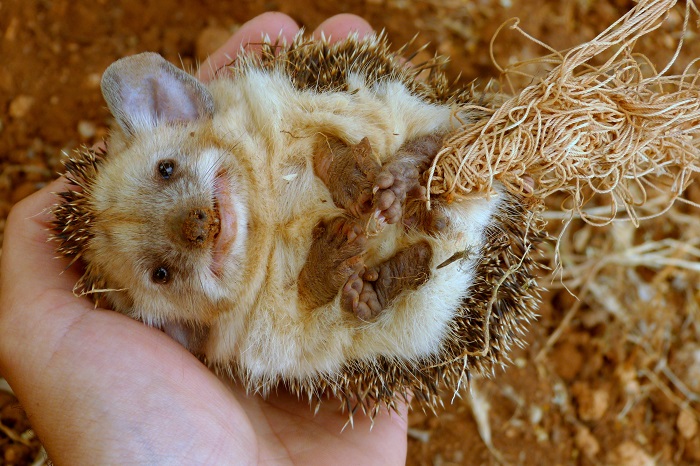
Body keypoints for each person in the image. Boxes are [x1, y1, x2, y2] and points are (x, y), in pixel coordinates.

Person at [0, 13, 408, 465]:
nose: (191, 227)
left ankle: (382, 169)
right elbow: (293, 333)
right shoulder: (231, 328)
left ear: (181, 110)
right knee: (318, 317)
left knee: (362, 135)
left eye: (166, 171)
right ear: (183, 329)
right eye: (161, 271)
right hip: (368, 279)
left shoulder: (255, 125)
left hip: (383, 166)